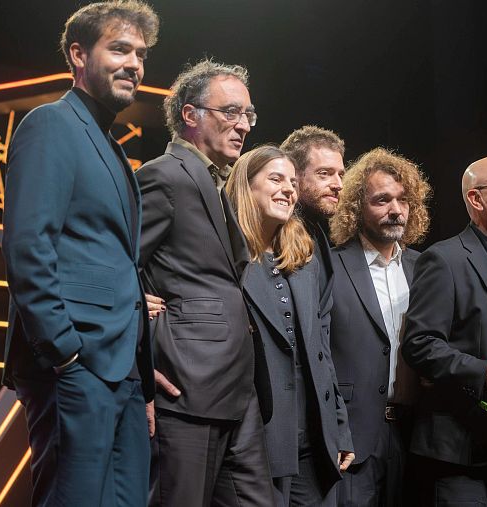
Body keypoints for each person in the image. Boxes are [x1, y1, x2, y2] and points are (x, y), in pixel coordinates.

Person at [1, 2, 158, 505]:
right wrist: (64, 352)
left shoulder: (110, 145)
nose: (134, 63)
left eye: (140, 54)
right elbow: (27, 245)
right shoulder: (51, 124)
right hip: (75, 364)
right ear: (78, 54)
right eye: (119, 49)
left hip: (122, 368)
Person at [137, 59, 274, 506]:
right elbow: (115, 265)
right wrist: (139, 361)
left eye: (248, 115)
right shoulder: (166, 175)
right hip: (186, 387)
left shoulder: (216, 183)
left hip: (237, 389)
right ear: (190, 115)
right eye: (231, 112)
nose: (243, 126)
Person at [402, 155, 487, 506]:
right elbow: (419, 344)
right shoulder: (444, 259)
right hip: (458, 445)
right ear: (476, 199)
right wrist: (482, 370)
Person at [224, 145, 354, 506]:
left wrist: (339, 426)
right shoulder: (225, 256)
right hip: (257, 435)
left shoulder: (305, 257)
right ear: (245, 187)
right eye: (276, 179)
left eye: (293, 182)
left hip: (313, 434)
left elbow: (321, 350)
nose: (289, 189)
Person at [328, 148, 432, 506]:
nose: (395, 210)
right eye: (382, 200)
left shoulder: (426, 269)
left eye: (403, 200)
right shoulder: (330, 265)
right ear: (356, 207)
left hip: (415, 434)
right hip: (354, 437)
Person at [280, 125, 346, 296]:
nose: (338, 185)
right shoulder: (271, 232)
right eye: (324, 173)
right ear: (293, 174)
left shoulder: (317, 233)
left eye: (341, 175)